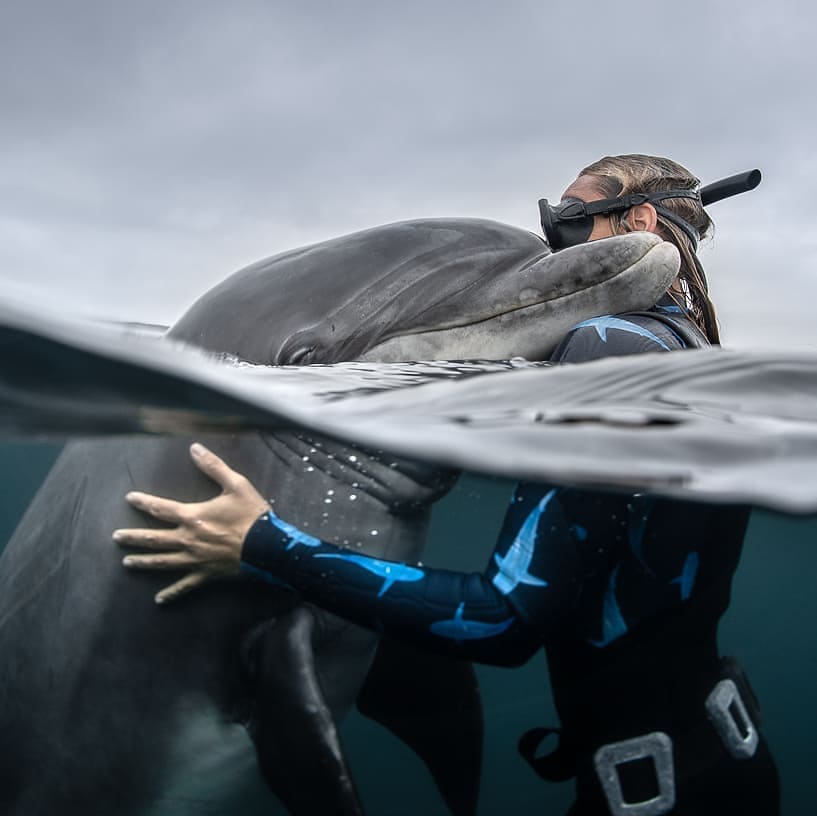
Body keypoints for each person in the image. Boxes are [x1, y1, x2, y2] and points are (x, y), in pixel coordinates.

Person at [113, 154, 779, 815]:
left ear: (636, 221)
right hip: (728, 761)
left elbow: (501, 619)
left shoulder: (605, 343)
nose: (553, 246)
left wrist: (263, 544)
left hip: (648, 797)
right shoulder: (689, 347)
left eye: (570, 222)